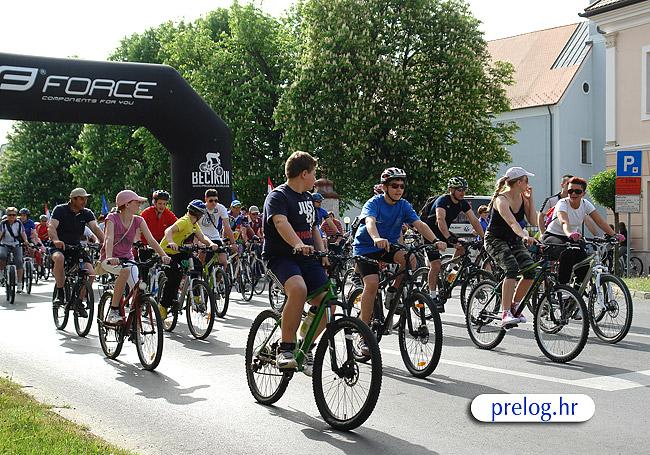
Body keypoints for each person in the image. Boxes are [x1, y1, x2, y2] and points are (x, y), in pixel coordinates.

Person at [353, 167, 446, 352]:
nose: (399, 189)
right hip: (366, 246)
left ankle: (393, 290)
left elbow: (419, 224)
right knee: (372, 284)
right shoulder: (374, 203)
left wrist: (435, 241)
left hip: (388, 246)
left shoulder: (403, 205)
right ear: (385, 187)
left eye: (402, 186)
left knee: (410, 259)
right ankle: (363, 334)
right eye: (394, 185)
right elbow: (370, 221)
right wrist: (376, 238)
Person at [263, 151, 330, 373]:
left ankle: (306, 345)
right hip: (280, 258)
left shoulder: (308, 199)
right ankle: (286, 348)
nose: (315, 179)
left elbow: (314, 228)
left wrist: (323, 253)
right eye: (314, 174)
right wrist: (297, 244)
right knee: (299, 290)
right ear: (304, 174)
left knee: (327, 302)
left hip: (307, 258)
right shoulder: (278, 196)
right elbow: (280, 223)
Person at [100, 190, 171, 324]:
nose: (139, 205)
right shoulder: (112, 218)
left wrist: (163, 255)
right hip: (109, 259)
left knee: (139, 290)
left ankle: (134, 326)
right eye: (136, 202)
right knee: (125, 271)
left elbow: (151, 240)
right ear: (127, 204)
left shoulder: (139, 220)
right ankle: (113, 311)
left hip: (128, 259)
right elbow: (109, 238)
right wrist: (109, 257)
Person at [542, 177, 623, 287]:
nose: (573, 194)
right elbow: (564, 221)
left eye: (577, 191)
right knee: (568, 253)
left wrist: (614, 234)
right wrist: (570, 233)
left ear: (583, 193)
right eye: (570, 191)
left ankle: (577, 291)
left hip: (572, 238)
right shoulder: (562, 203)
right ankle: (563, 287)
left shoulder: (585, 204)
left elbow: (600, 221)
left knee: (584, 262)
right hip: (553, 236)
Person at [484, 167, 538, 327]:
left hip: (513, 240)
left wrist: (530, 199)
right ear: (519, 182)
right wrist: (524, 236)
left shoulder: (522, 198)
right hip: (495, 240)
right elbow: (512, 222)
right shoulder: (501, 199)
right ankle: (505, 312)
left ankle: (515, 305)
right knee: (512, 268)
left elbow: (533, 221)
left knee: (530, 271)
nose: (528, 184)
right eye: (526, 180)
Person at [424, 177, 485, 313]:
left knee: (462, 248)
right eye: (459, 190)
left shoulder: (462, 203)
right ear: (451, 190)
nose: (462, 192)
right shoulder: (442, 200)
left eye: (464, 190)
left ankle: (449, 273)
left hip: (444, 232)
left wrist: (484, 238)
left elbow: (474, 220)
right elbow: (440, 219)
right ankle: (432, 296)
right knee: (436, 265)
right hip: (430, 234)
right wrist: (449, 238)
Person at [158, 200, 220, 320]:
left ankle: (195, 294)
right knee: (174, 277)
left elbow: (202, 237)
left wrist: (211, 243)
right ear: (199, 214)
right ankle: (163, 306)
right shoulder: (185, 221)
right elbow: (168, 230)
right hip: (168, 252)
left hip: (180, 252)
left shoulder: (193, 224)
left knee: (197, 266)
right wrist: (171, 242)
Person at [48, 188, 105, 316]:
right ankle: (60, 293)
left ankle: (78, 302)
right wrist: (56, 240)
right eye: (81, 199)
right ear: (73, 199)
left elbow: (95, 228)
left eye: (86, 199)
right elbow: (51, 227)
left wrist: (104, 242)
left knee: (91, 273)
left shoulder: (86, 213)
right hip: (60, 246)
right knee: (59, 258)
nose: (84, 201)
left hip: (76, 247)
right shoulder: (60, 210)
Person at [199, 188, 236, 269]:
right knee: (202, 262)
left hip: (215, 237)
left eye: (216, 200)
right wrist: (198, 242)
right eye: (211, 201)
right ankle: (202, 275)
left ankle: (219, 277)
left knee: (224, 261)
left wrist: (233, 243)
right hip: (202, 237)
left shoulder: (221, 208)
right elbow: (195, 226)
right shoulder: (200, 209)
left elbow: (227, 226)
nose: (214, 203)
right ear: (206, 199)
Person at [0, 207, 30, 292]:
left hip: (16, 244)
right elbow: (0, 233)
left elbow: (22, 232)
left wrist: (26, 241)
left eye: (14, 215)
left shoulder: (18, 223)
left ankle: (19, 284)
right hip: (5, 244)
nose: (12, 217)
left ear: (16, 215)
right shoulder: (3, 223)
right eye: (10, 215)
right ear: (7, 215)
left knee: (19, 261)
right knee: (2, 256)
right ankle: (1, 273)